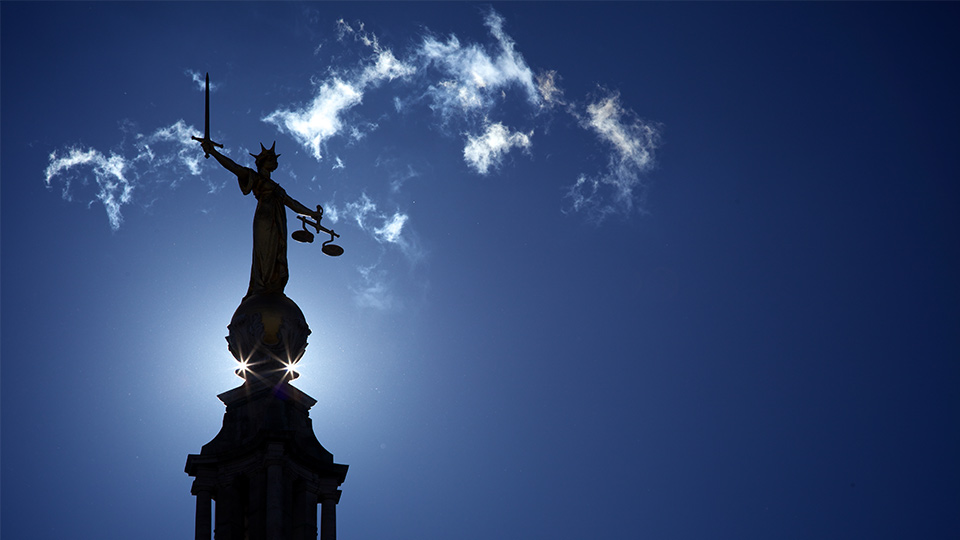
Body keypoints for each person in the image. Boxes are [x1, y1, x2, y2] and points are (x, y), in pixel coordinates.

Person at [199, 139, 320, 298]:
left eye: (275, 160)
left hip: (278, 222)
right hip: (264, 218)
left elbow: (294, 204)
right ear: (262, 162)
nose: (275, 162)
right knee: (264, 253)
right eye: (271, 159)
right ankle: (261, 286)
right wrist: (214, 152)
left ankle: (273, 285)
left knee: (277, 252)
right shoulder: (254, 177)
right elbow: (233, 167)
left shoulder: (278, 188)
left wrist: (312, 213)